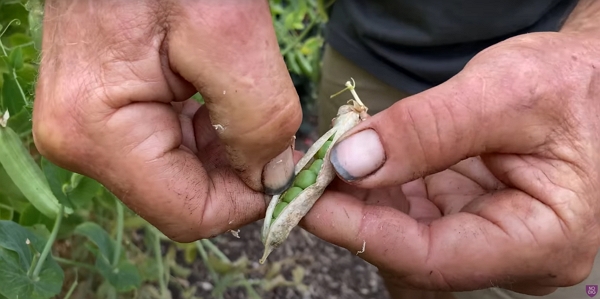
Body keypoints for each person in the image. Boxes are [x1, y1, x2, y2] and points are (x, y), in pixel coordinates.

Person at [32, 1, 600, 299]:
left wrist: (591, 55)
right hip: (367, 50)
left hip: (557, 79)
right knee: (401, 247)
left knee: (534, 279)